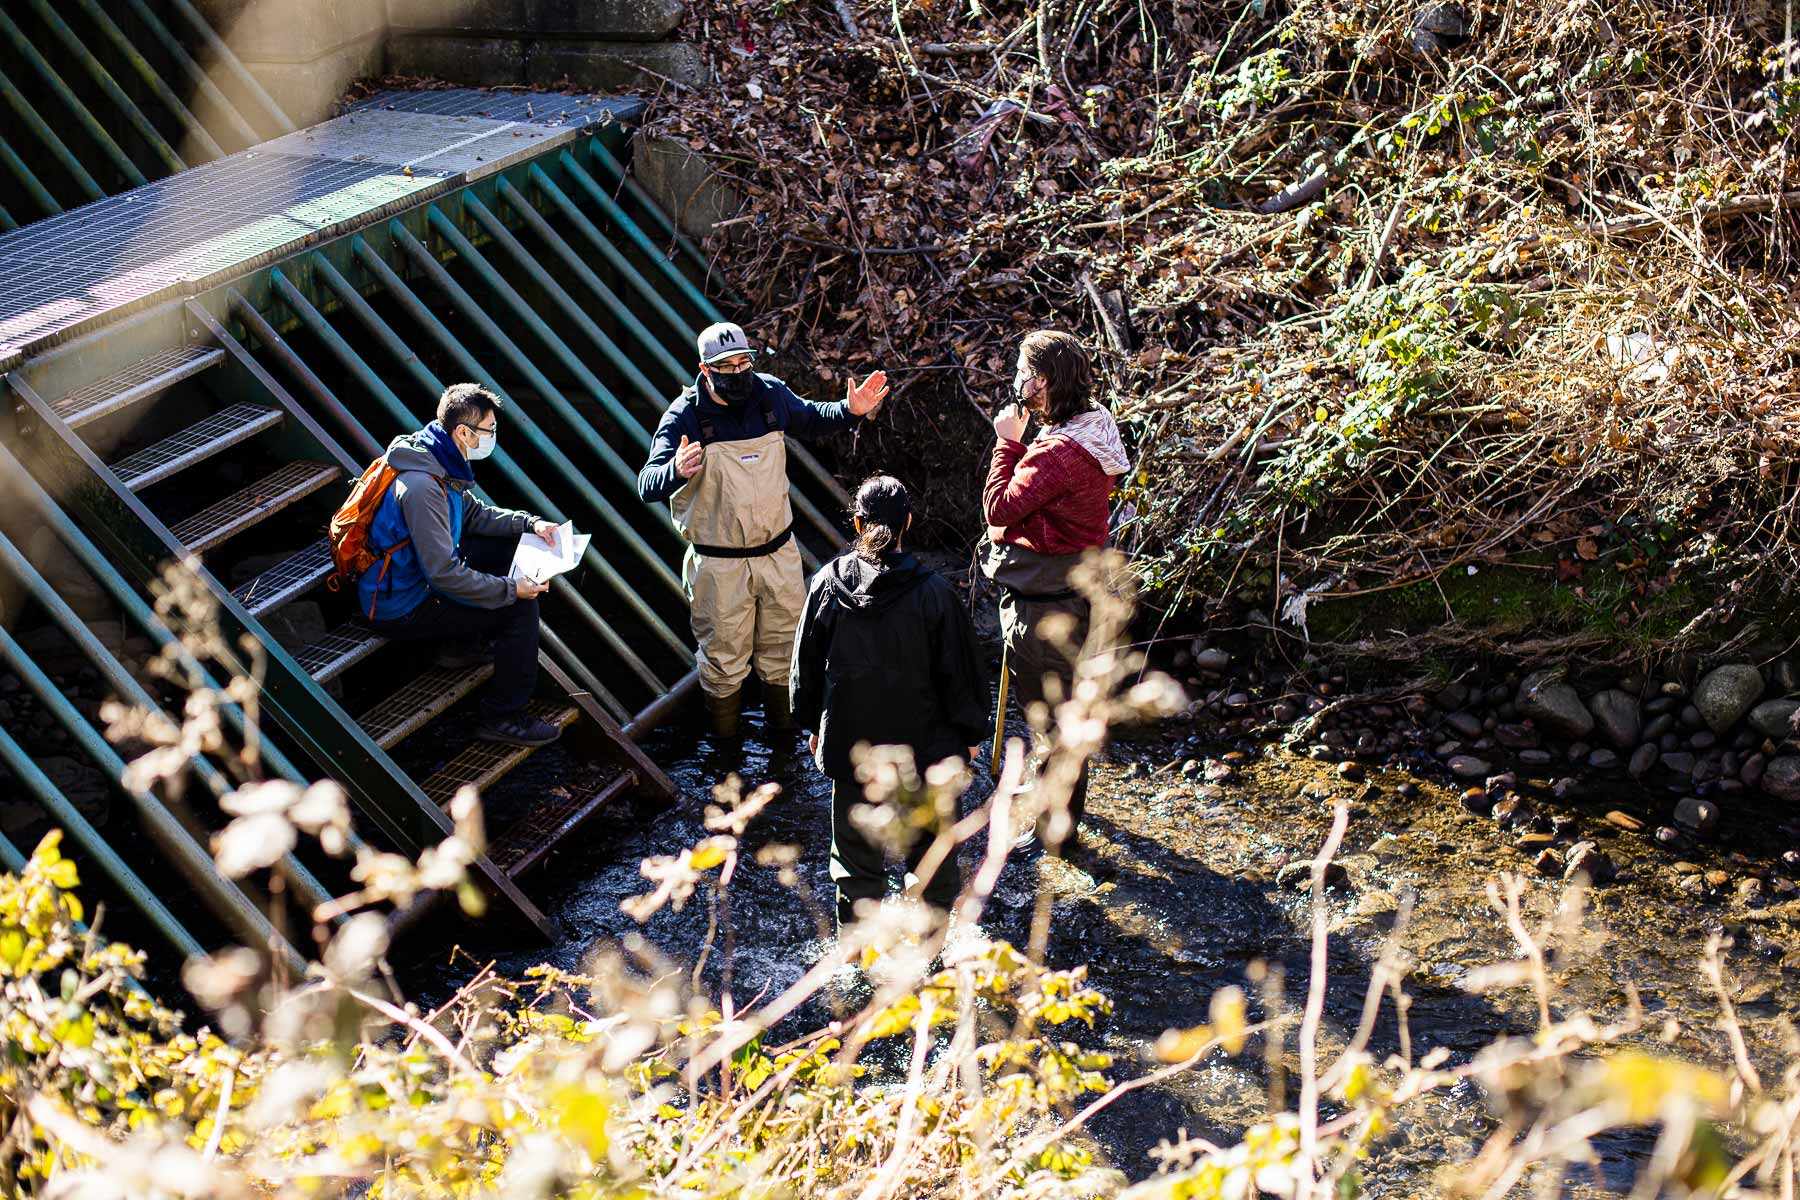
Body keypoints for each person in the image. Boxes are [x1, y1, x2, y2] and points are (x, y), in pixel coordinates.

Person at [637, 321, 888, 738]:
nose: (737, 374)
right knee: (723, 663)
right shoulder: (685, 416)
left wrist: (849, 412)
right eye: (726, 368)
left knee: (783, 652)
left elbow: (809, 416)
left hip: (778, 555)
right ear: (705, 370)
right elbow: (646, 484)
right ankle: (727, 755)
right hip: (719, 566)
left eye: (743, 363)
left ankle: (784, 745)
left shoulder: (769, 394)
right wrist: (675, 471)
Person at [791, 476, 990, 929]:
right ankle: (933, 960)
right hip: (927, 752)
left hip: (850, 748)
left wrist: (812, 727)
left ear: (858, 522)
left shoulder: (826, 585)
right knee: (932, 862)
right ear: (908, 523)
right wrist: (971, 733)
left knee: (856, 867)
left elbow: (804, 667)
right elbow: (961, 673)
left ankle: (857, 962)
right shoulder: (936, 595)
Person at [981, 330, 1131, 851]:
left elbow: (999, 508)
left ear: (1040, 384)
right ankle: (1059, 803)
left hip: (1044, 603)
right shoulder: (1096, 426)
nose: (1016, 381)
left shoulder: (1055, 454)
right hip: (1077, 587)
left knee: (1050, 717)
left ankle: (1055, 832)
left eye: (1022, 372)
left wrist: (1007, 442)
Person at [361, 383, 564, 748]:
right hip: (402, 606)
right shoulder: (423, 486)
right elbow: (442, 574)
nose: (493, 437)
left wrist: (529, 524)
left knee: (504, 548)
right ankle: (504, 717)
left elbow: (473, 515)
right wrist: (509, 590)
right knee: (518, 610)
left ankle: (460, 646)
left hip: (416, 582)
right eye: (489, 430)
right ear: (464, 432)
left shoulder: (438, 457)